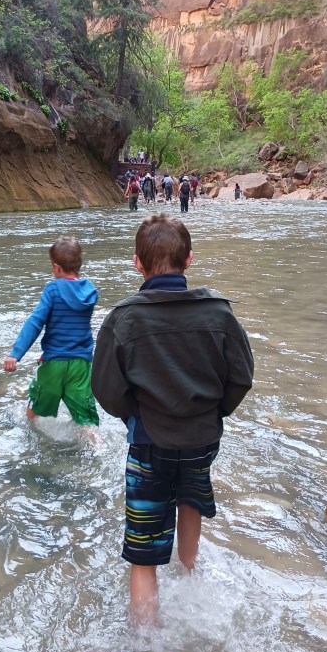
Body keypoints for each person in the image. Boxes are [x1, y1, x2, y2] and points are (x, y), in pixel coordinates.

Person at [91, 214, 254, 622]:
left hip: (149, 442)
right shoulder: (220, 314)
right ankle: (190, 578)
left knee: (143, 550)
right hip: (201, 440)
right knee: (190, 501)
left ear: (137, 264)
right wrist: (214, 412)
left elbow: (105, 389)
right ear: (189, 259)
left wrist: (135, 415)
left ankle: (146, 643)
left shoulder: (123, 319)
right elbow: (241, 377)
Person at [3, 236, 100, 431]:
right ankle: (96, 445)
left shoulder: (52, 290)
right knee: (86, 420)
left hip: (53, 362)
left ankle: (30, 438)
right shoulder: (90, 291)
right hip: (81, 364)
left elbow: (35, 322)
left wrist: (16, 353)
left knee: (34, 410)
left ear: (56, 267)